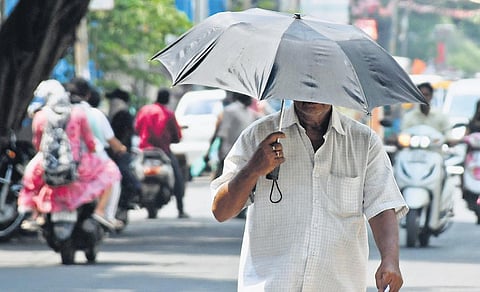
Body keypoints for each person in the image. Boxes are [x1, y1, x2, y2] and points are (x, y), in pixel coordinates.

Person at [211, 101, 407, 291]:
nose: (311, 95)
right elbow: (221, 211)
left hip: (338, 285)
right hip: (271, 285)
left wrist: (390, 260)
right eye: (305, 83)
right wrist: (252, 169)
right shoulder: (258, 135)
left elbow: (381, 207)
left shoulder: (364, 142)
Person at [18, 79, 121, 230]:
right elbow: (90, 142)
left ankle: (36, 214)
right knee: (111, 172)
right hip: (77, 162)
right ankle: (101, 211)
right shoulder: (78, 114)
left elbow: (38, 144)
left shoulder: (40, 116)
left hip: (47, 161)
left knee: (29, 176)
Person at [65, 77, 126, 229]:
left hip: (63, 159)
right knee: (114, 175)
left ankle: (36, 214)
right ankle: (105, 213)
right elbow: (106, 141)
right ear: (88, 95)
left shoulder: (58, 113)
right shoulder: (93, 114)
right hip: (91, 159)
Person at [134, 88, 188, 218]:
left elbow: (136, 129)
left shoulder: (144, 110)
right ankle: (180, 209)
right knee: (178, 177)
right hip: (163, 151)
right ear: (168, 99)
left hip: (143, 151)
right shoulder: (168, 114)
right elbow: (177, 136)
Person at [212, 92, 260, 179]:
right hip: (229, 153)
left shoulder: (250, 112)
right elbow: (223, 133)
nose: (252, 100)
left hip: (243, 155)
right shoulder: (230, 110)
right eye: (250, 97)